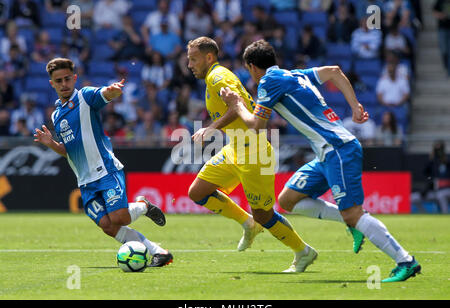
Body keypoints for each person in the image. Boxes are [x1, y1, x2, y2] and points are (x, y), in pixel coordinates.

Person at [220, 39, 421, 282]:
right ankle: (354, 221)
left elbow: (256, 125)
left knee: (353, 213)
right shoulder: (296, 75)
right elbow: (335, 71)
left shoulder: (268, 81)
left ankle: (405, 261)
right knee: (288, 200)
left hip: (338, 149)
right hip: (327, 153)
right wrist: (355, 107)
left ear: (252, 67)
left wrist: (236, 104)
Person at [186, 36, 316, 273]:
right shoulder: (213, 79)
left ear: (209, 57)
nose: (189, 65)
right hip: (235, 148)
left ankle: (303, 251)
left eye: (193, 59)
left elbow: (241, 109)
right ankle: (248, 224)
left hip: (253, 152)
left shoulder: (218, 77)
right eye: (188, 60)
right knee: (198, 192)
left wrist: (211, 128)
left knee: (264, 214)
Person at [33, 57, 173, 267]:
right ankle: (159, 252)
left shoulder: (85, 97)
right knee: (108, 226)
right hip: (85, 181)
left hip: (106, 171)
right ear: (52, 83)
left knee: (121, 218)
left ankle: (143, 205)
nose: (64, 84)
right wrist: (50, 143)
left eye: (67, 79)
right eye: (59, 81)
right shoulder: (56, 115)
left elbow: (105, 93)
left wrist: (113, 90)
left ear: (75, 78)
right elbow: (68, 152)